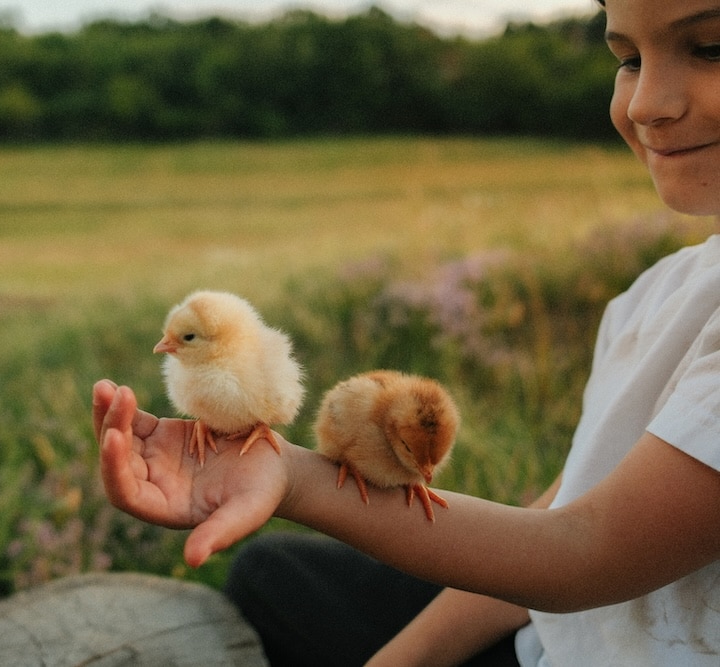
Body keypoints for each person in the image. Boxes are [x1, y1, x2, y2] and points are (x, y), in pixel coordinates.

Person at [91, 0, 720, 663]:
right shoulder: (657, 294)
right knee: (276, 573)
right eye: (628, 58)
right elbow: (561, 516)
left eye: (710, 47)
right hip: (556, 635)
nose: (646, 102)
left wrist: (299, 481)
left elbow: (582, 553)